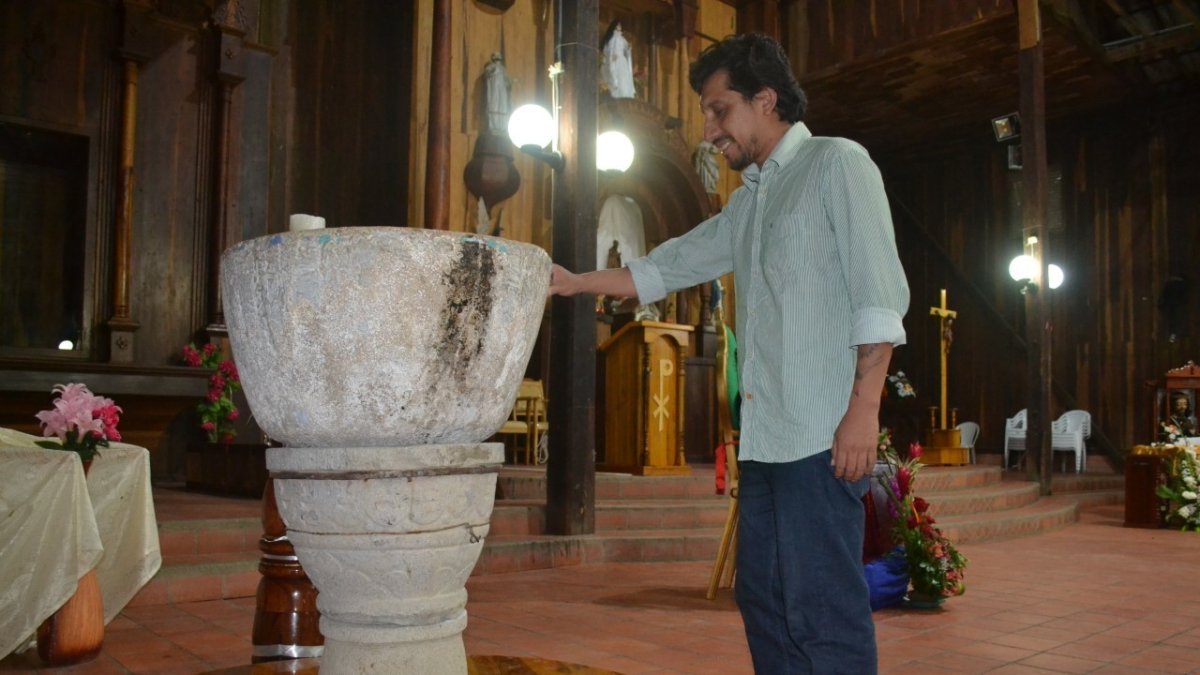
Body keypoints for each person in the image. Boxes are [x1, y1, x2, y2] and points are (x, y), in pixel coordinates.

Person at [548, 33, 908, 673]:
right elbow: (667, 266)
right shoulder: (749, 202)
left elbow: (879, 295)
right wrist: (576, 282)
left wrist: (864, 409)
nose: (711, 129)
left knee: (821, 605)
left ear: (766, 100)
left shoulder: (838, 164)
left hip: (823, 437)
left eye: (720, 110)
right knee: (764, 598)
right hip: (765, 442)